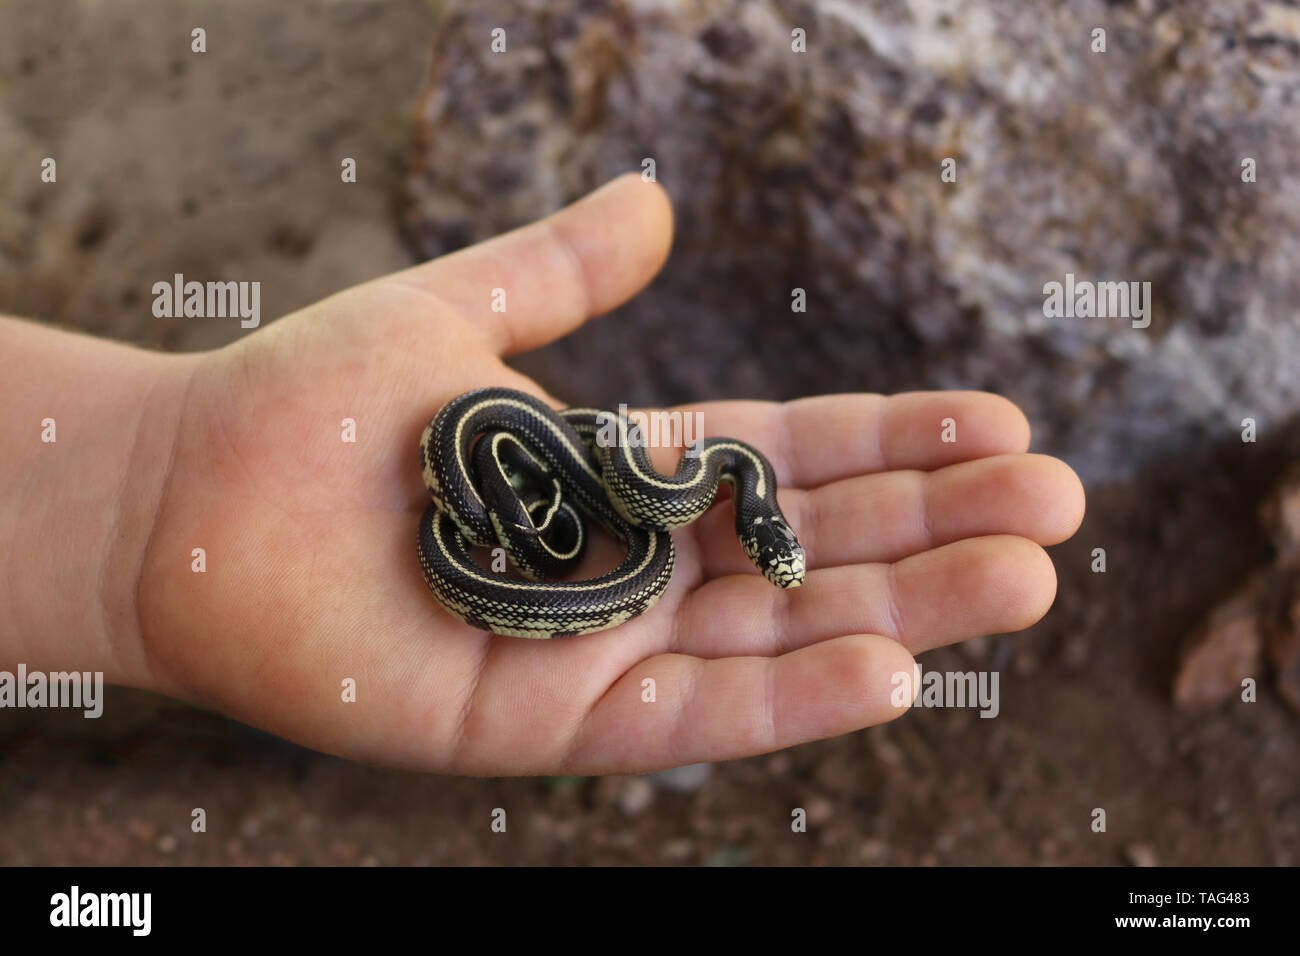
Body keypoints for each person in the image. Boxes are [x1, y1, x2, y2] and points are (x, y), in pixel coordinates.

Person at [0, 175, 1085, 774]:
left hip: (546, 508)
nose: (775, 560)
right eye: (777, 551)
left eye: (772, 553)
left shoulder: (698, 485)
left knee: (592, 543)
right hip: (518, 495)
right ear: (753, 520)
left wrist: (140, 482)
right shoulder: (665, 489)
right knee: (574, 540)